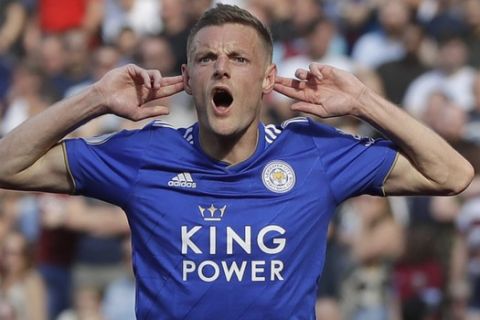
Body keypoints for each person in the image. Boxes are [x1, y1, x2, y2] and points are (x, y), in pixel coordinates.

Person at [0, 4, 474, 319]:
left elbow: (452, 174)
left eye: (238, 59)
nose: (221, 66)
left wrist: (365, 102)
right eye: (206, 58)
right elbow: (8, 165)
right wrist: (95, 99)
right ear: (188, 79)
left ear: (268, 79)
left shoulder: (312, 154)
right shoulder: (146, 154)